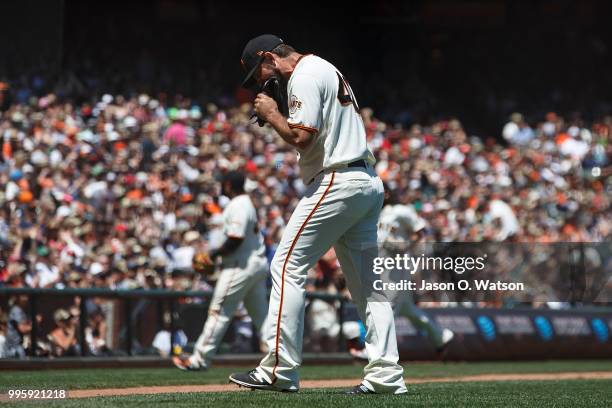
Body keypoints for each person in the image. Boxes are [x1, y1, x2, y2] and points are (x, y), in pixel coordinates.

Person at [229, 35, 406, 394]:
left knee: (285, 265)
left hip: (337, 179)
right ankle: (386, 376)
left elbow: (301, 137)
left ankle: (279, 369)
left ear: (269, 57)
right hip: (365, 181)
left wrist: (273, 113)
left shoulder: (305, 74)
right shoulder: (323, 68)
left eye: (259, 74)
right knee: (367, 286)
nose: (261, 83)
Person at [173, 171, 269, 370]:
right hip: (254, 264)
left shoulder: (239, 204)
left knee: (219, 311)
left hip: (240, 265)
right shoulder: (246, 202)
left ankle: (199, 359)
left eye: (222, 184)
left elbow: (236, 238)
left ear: (227, 185)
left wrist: (213, 255)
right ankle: (281, 357)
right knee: (263, 317)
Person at [378, 188, 454, 355]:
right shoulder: (379, 212)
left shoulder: (401, 210)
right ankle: (440, 336)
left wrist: (406, 245)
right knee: (406, 309)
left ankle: (379, 350)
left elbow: (422, 231)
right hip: (383, 265)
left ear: (387, 194)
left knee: (387, 306)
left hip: (397, 265)